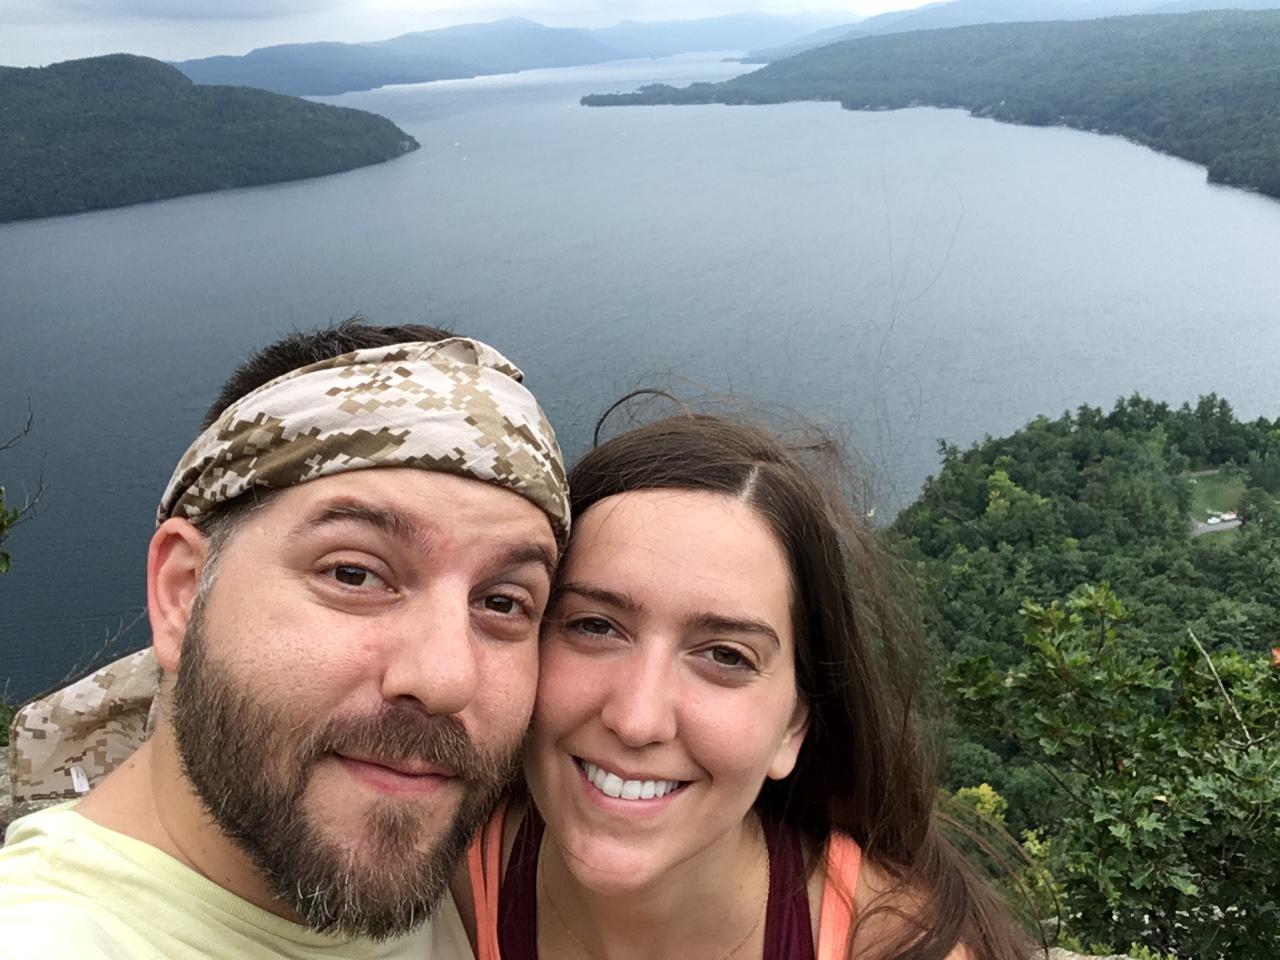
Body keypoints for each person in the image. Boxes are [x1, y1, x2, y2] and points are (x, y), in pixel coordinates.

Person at [0, 319, 569, 960]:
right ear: (183, 592)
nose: (444, 679)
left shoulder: (489, 870)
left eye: (502, 602)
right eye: (354, 574)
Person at [462, 410, 1032, 960]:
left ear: (792, 726)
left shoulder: (894, 947)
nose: (637, 720)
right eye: (593, 625)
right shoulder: (434, 876)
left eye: (726, 656)